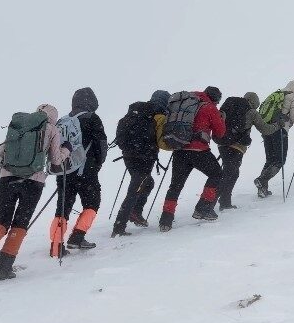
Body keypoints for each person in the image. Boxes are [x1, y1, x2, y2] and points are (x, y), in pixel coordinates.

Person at [0, 104, 67, 281]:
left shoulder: (19, 125)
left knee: (0, 221)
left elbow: (2, 151)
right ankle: (3, 268)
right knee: (20, 224)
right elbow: (56, 161)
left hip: (7, 179)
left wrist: (8, 170)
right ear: (53, 117)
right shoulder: (52, 129)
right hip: (33, 182)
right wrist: (66, 150)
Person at [49, 87, 109, 257]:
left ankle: (56, 247)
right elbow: (101, 145)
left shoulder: (63, 120)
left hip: (64, 170)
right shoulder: (92, 118)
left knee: (62, 208)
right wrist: (97, 164)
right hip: (86, 171)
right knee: (92, 203)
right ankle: (77, 237)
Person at [159, 87, 227, 231]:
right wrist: (221, 118)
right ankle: (203, 208)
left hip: (179, 150)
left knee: (175, 186)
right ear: (215, 99)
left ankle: (165, 220)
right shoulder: (210, 107)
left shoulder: (186, 103)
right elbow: (220, 133)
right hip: (198, 151)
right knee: (216, 175)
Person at [111, 91, 167, 237]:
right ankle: (119, 226)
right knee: (135, 189)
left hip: (129, 156)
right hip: (144, 158)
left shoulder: (137, 111)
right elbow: (161, 142)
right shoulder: (158, 116)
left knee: (147, 183)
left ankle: (135, 212)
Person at [215, 92, 275, 210]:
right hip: (237, 146)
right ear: (253, 103)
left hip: (222, 142)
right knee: (230, 174)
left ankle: (223, 201)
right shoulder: (251, 112)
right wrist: (277, 125)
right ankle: (210, 203)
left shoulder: (230, 105)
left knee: (230, 172)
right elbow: (265, 129)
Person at [253, 80, 294, 198]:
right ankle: (262, 180)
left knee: (270, 160)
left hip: (268, 129)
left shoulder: (278, 95)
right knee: (279, 160)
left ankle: (262, 189)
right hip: (280, 130)